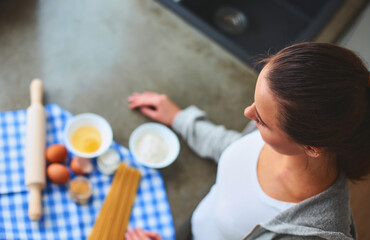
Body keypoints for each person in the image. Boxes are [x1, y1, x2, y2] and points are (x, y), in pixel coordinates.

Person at [125, 42, 370, 240]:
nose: (247, 113)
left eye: (261, 120)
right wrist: (179, 118)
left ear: (311, 147)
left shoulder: (314, 233)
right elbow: (236, 149)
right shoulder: (286, 136)